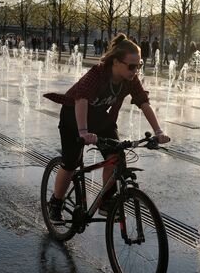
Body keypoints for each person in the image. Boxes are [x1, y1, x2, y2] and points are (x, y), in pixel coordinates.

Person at [43, 34, 171, 224]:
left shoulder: (130, 79)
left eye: (139, 66)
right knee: (71, 162)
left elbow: (143, 103)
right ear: (117, 62)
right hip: (74, 116)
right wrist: (83, 131)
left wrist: (159, 132)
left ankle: (106, 202)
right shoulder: (98, 73)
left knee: (116, 156)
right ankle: (56, 203)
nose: (135, 71)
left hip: (101, 119)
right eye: (131, 66)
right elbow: (81, 99)